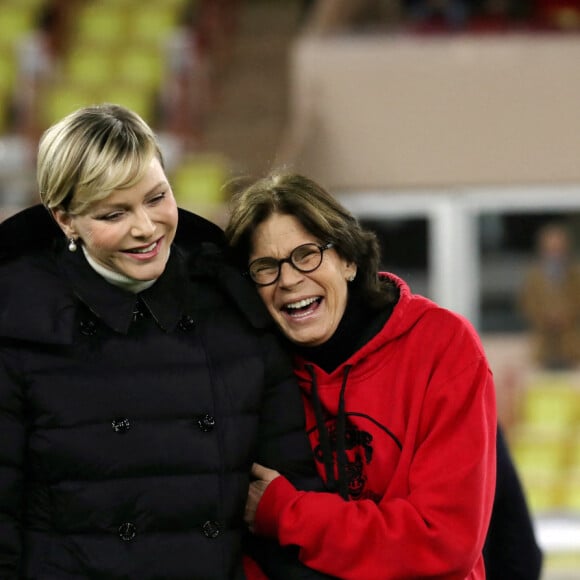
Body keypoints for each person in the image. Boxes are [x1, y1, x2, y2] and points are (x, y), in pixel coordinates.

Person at [0, 105, 322, 579]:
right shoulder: (16, 325)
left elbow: (293, 503)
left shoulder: (235, 306)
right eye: (115, 213)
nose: (146, 228)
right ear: (65, 219)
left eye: (156, 198)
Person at [224, 172, 497, 579]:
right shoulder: (255, 371)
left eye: (307, 255)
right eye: (266, 267)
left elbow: (442, 541)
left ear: (349, 260)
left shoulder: (442, 345)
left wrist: (287, 514)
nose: (289, 279)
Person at [518, 222, 580, 370]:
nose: (555, 251)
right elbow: (526, 302)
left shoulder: (575, 275)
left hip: (571, 345)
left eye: (558, 247)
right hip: (542, 346)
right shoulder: (533, 276)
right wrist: (545, 316)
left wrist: (565, 315)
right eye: (551, 247)